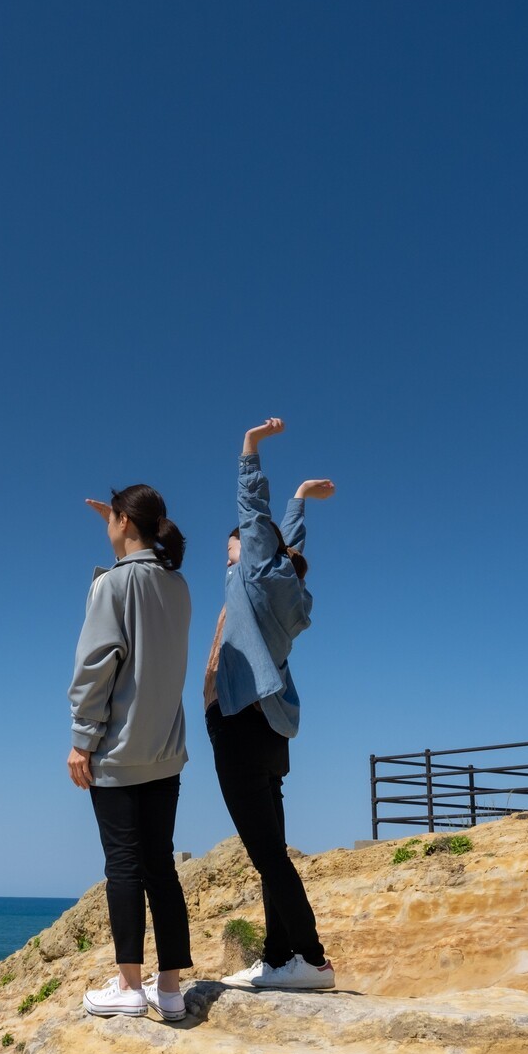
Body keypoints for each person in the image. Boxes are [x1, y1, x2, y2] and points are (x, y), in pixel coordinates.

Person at [206, 417, 338, 991]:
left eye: (235, 540)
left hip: (239, 724)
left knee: (266, 855)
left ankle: (311, 958)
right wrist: (301, 501)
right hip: (274, 731)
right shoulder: (288, 586)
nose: (230, 544)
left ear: (252, 549)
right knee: (270, 851)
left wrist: (249, 449)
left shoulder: (253, 576)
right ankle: (280, 956)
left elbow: (255, 515)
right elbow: (290, 545)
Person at [68, 483, 195, 1021]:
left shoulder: (113, 586)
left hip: (117, 752)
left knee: (123, 867)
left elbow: (96, 666)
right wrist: (123, 534)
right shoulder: (178, 584)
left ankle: (128, 987)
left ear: (123, 521)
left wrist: (81, 741)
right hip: (165, 749)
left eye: (112, 520)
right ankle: (169, 991)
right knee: (159, 866)